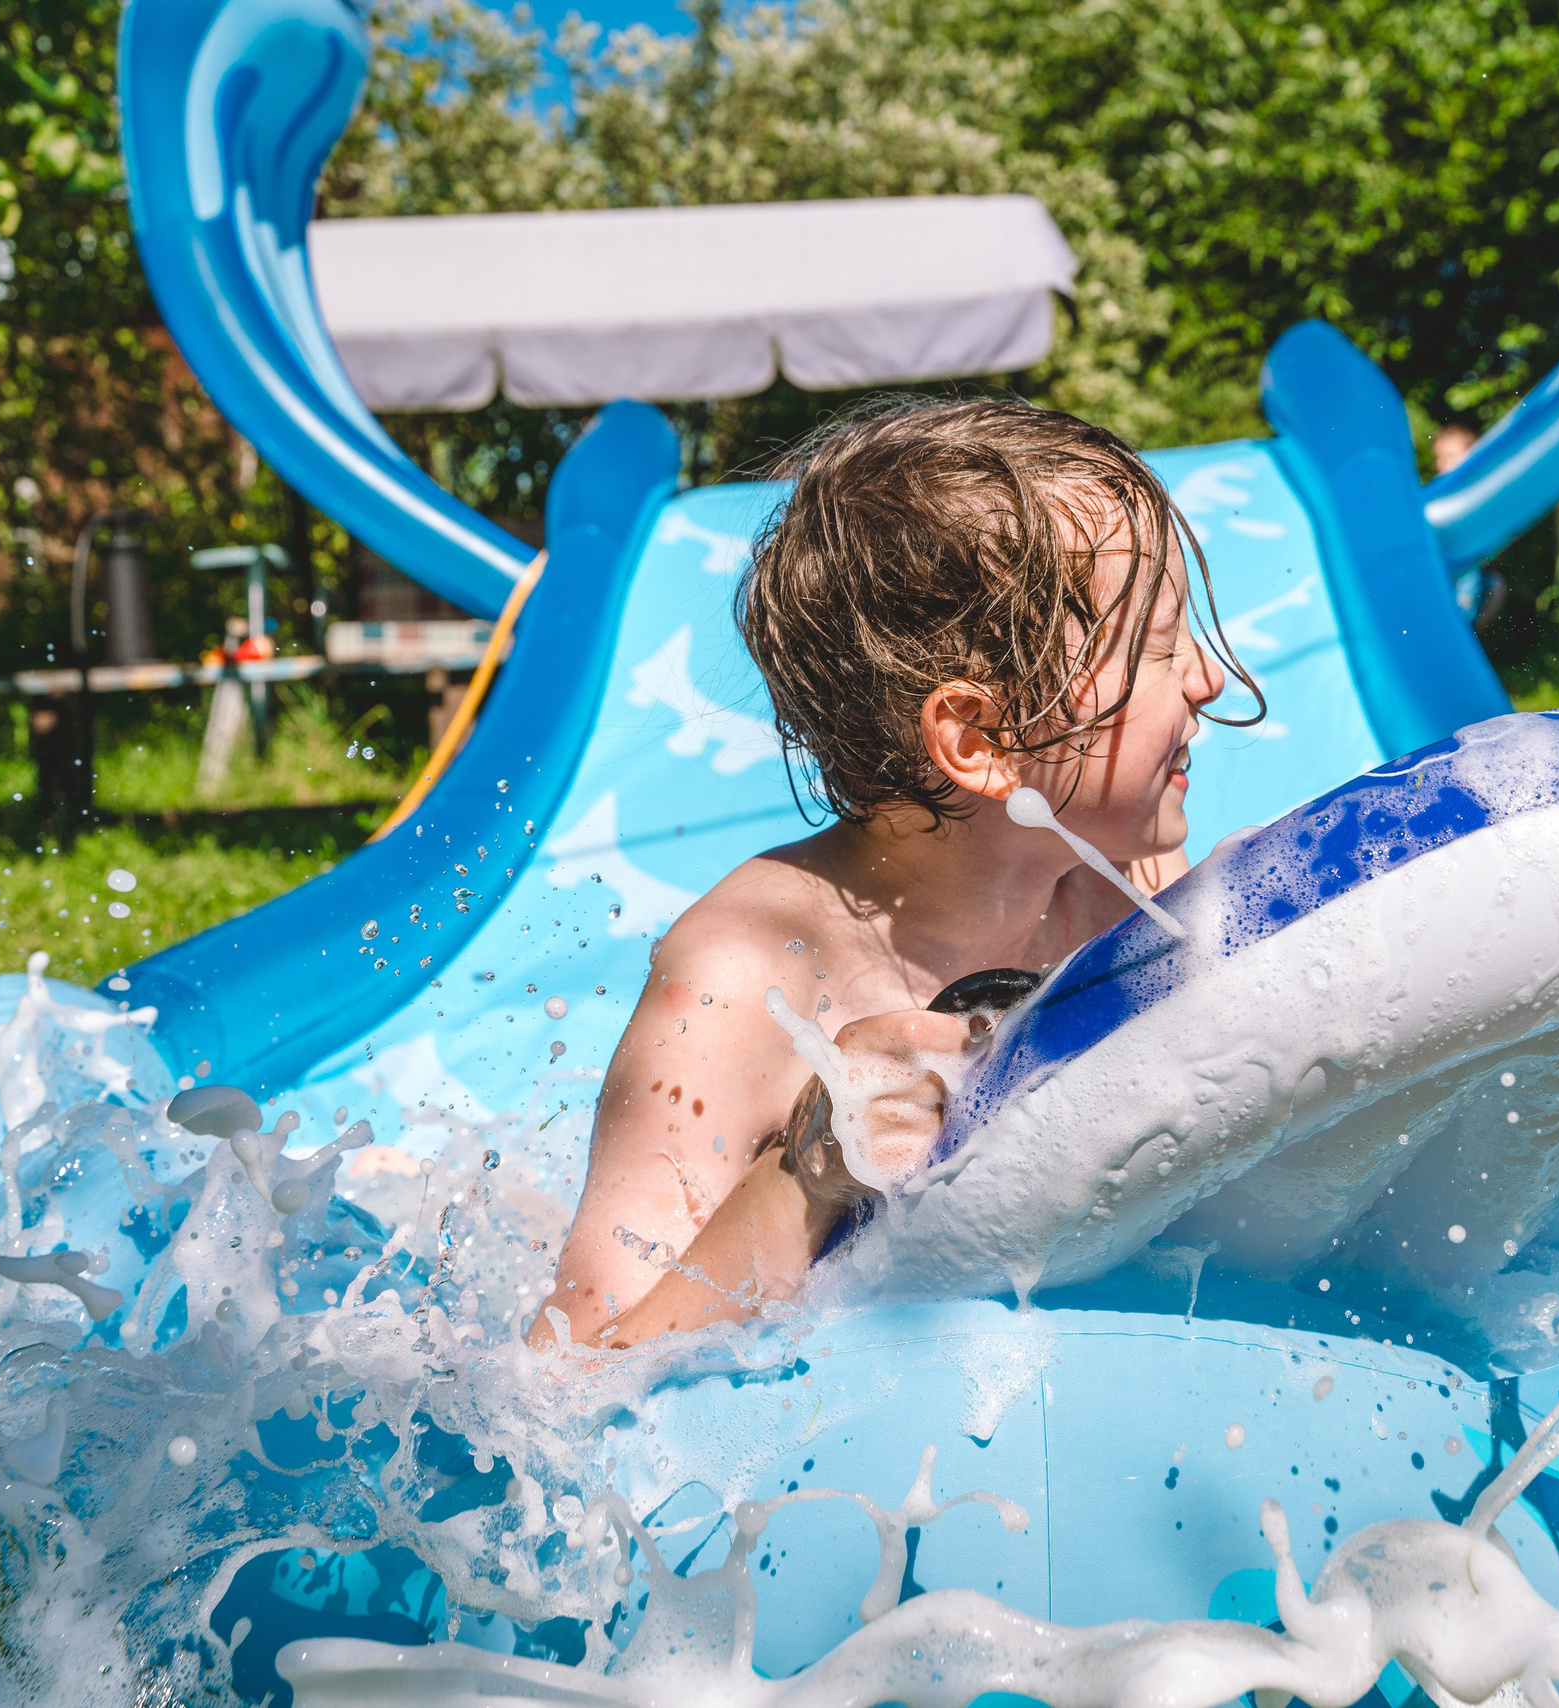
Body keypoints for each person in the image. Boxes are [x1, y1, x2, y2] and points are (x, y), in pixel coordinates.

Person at [534, 399, 1256, 1349]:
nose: (1206, 678)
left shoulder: (1127, 879)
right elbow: (572, 1377)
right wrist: (810, 1169)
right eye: (1157, 649)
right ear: (979, 740)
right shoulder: (744, 980)